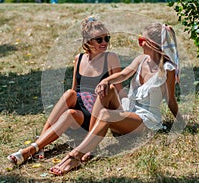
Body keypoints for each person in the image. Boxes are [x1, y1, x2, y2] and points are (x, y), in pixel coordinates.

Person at [49, 22, 181, 175]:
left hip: (146, 120)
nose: (138, 42)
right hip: (128, 108)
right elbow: (123, 75)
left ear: (152, 44)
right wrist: (106, 81)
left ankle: (75, 156)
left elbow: (171, 100)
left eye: (141, 39)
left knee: (105, 115)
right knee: (108, 89)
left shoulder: (167, 70)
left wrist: (181, 122)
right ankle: (91, 146)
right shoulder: (141, 59)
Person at [7, 16, 123, 165]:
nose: (105, 43)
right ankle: (38, 145)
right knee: (70, 93)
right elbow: (75, 88)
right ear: (88, 40)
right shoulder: (79, 58)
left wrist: (124, 113)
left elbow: (118, 90)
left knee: (69, 113)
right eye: (99, 40)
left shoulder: (110, 57)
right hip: (79, 107)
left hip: (94, 112)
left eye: (107, 38)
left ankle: (29, 150)